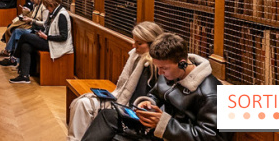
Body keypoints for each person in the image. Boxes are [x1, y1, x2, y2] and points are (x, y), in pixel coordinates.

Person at [80, 33, 226, 141]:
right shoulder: (171, 73)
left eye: (164, 68)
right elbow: (155, 94)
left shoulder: (212, 93)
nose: (160, 73)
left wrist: (164, 124)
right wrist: (149, 102)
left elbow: (214, 138)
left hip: (171, 135)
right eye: (158, 67)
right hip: (155, 129)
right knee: (108, 115)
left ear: (182, 63)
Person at [66, 21, 163, 141]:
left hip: (130, 109)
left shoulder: (155, 67)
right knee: (81, 103)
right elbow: (123, 88)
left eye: (139, 43)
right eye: (134, 41)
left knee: (86, 105)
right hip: (120, 98)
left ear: (153, 44)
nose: (134, 46)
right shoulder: (135, 56)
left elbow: (144, 98)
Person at [9, 0, 73, 83]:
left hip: (56, 45)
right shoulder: (55, 12)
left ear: (52, 5)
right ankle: (24, 76)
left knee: (24, 36)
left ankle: (14, 57)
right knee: (25, 46)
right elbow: (46, 25)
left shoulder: (61, 15)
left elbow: (64, 37)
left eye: (47, 7)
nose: (47, 9)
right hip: (50, 41)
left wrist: (46, 37)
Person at [0, 0, 48, 64]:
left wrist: (31, 20)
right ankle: (15, 59)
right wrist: (27, 16)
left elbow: (45, 23)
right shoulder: (36, 5)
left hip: (38, 31)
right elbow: (33, 16)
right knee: (17, 33)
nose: (31, 1)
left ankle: (9, 53)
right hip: (33, 27)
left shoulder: (44, 7)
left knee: (17, 32)